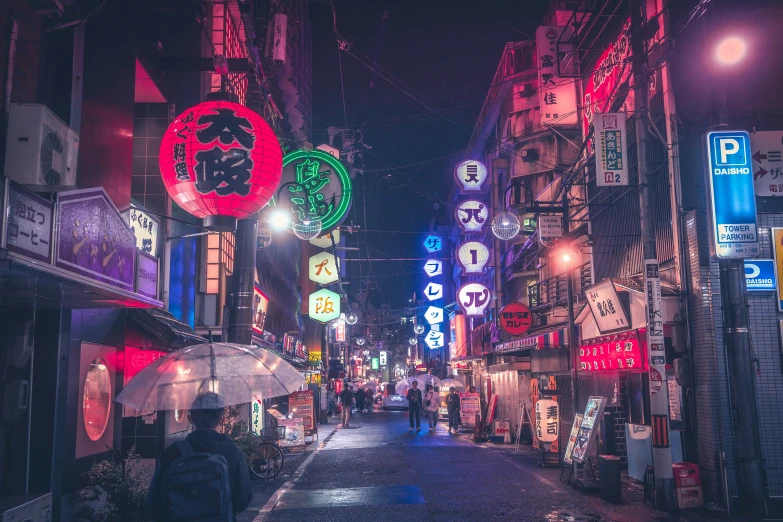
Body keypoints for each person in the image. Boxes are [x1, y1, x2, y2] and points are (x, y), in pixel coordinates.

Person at [147, 392, 251, 521]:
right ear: (222, 419)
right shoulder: (234, 453)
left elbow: (153, 504)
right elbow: (242, 502)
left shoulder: (171, 454)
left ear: (191, 419)